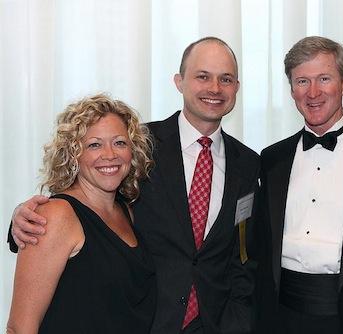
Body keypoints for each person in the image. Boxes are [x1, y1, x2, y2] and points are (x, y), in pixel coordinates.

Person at [8, 37, 260, 334]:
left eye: (226, 79)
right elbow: (79, 205)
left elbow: (242, 254)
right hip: (146, 323)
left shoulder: (249, 163)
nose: (215, 88)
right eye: (202, 76)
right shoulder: (137, 145)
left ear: (237, 87)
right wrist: (21, 220)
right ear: (179, 82)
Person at [6, 94, 157, 333]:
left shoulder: (127, 210)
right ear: (73, 154)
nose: (110, 154)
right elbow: (20, 327)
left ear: (133, 150)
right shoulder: (55, 215)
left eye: (119, 142)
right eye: (94, 145)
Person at [256, 36, 343, 334]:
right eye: (302, 81)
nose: (313, 92)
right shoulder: (271, 158)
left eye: (324, 78)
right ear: (292, 89)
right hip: (281, 315)